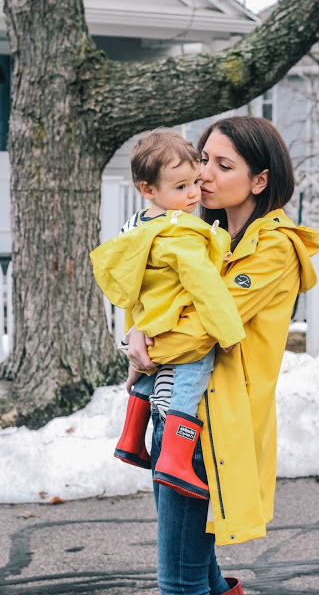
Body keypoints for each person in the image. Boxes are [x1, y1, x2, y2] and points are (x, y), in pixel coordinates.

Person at [126, 116, 319, 595]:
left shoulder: (273, 247)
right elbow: (160, 298)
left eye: (223, 164)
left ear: (260, 180)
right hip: (178, 415)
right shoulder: (205, 237)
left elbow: (198, 333)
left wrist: (141, 344)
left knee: (179, 578)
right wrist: (140, 325)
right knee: (196, 568)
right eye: (203, 158)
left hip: (207, 426)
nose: (204, 173)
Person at [90, 131, 245, 500]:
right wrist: (228, 332)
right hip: (174, 321)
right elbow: (206, 285)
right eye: (181, 186)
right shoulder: (181, 234)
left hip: (149, 320)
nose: (194, 192)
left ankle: (130, 439)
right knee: (192, 379)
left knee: (147, 381)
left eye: (194, 181)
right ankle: (176, 460)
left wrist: (134, 332)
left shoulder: (138, 226)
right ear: (148, 189)